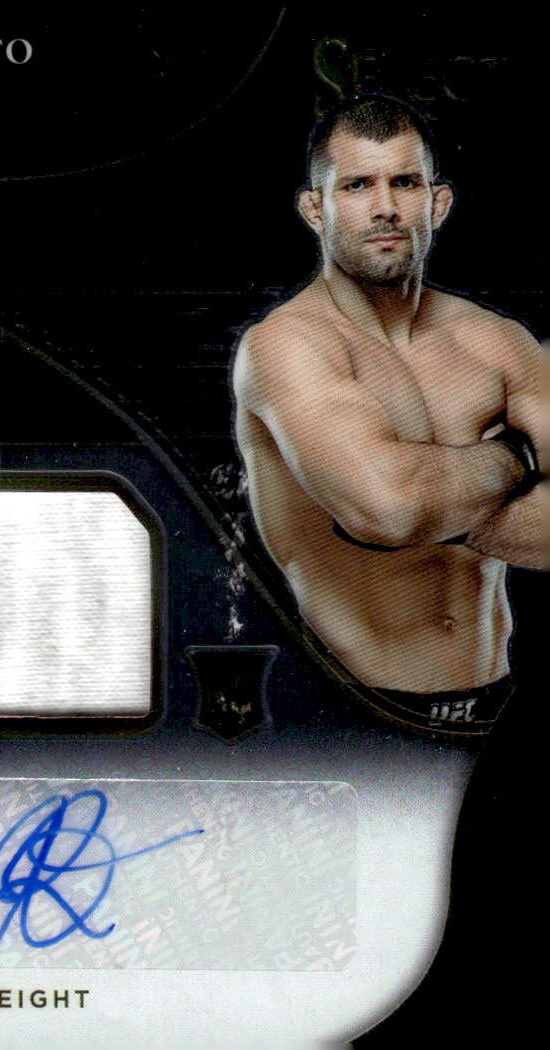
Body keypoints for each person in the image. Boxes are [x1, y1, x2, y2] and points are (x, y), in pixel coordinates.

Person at [232, 94, 546, 732]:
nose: (385, 208)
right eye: (357, 186)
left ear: (438, 203)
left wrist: (434, 504)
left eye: (405, 182)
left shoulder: (496, 341)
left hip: (495, 703)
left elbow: (404, 512)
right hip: (353, 713)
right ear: (315, 208)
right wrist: (519, 458)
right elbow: (389, 508)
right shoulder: (286, 346)